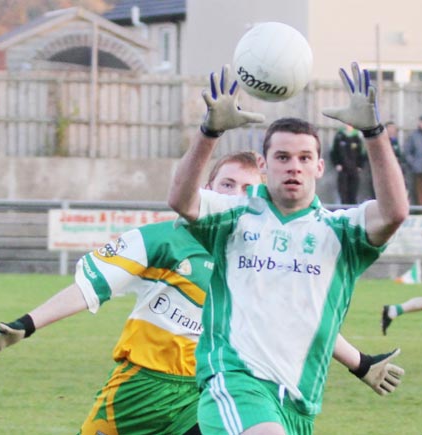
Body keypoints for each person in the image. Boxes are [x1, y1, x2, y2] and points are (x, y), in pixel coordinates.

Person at [0, 151, 403, 434]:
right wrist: (25, 325)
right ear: (207, 189)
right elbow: (89, 288)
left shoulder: (263, 252)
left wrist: (360, 363)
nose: (235, 194)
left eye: (245, 188)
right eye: (226, 184)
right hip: (140, 391)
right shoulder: (168, 238)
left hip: (211, 391)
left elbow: (302, 319)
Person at [168, 62, 409, 435]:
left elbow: (394, 213)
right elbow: (182, 200)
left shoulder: (340, 232)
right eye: (282, 158)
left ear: (319, 167)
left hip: (298, 403)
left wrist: (374, 134)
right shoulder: (234, 218)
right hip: (235, 383)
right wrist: (209, 133)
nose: (293, 167)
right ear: (264, 165)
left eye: (303, 158)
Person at [330, 123, 366, 204]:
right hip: (343, 168)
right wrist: (337, 164)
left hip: (354, 168)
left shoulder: (358, 136)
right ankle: (343, 206)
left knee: (353, 189)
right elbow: (334, 151)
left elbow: (363, 152)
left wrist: (360, 165)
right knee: (343, 189)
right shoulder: (340, 135)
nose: (348, 125)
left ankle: (352, 206)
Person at [404, 116, 422, 205]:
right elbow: (407, 152)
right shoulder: (413, 136)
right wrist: (414, 163)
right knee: (419, 192)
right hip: (418, 170)